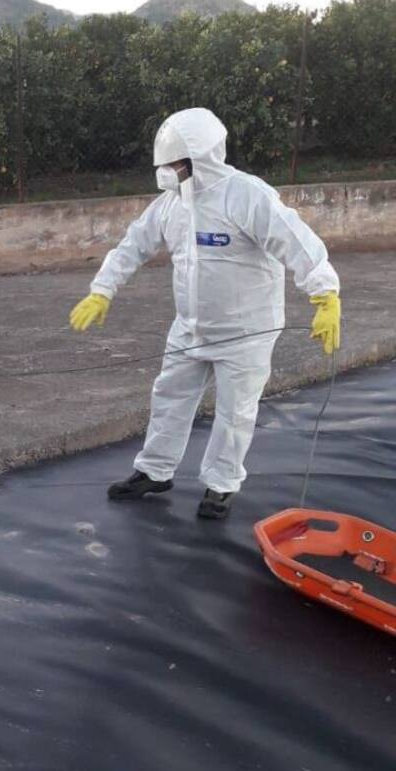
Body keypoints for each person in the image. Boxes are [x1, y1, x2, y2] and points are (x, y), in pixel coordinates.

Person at [70, 107, 341, 520]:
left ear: (202, 158)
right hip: (191, 328)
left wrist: (325, 296)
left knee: (235, 412)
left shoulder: (247, 196)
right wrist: (102, 291)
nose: (167, 173)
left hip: (246, 332)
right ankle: (155, 471)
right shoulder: (170, 205)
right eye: (165, 165)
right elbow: (132, 246)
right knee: (169, 397)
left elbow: (297, 242)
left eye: (175, 165)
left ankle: (221, 484)